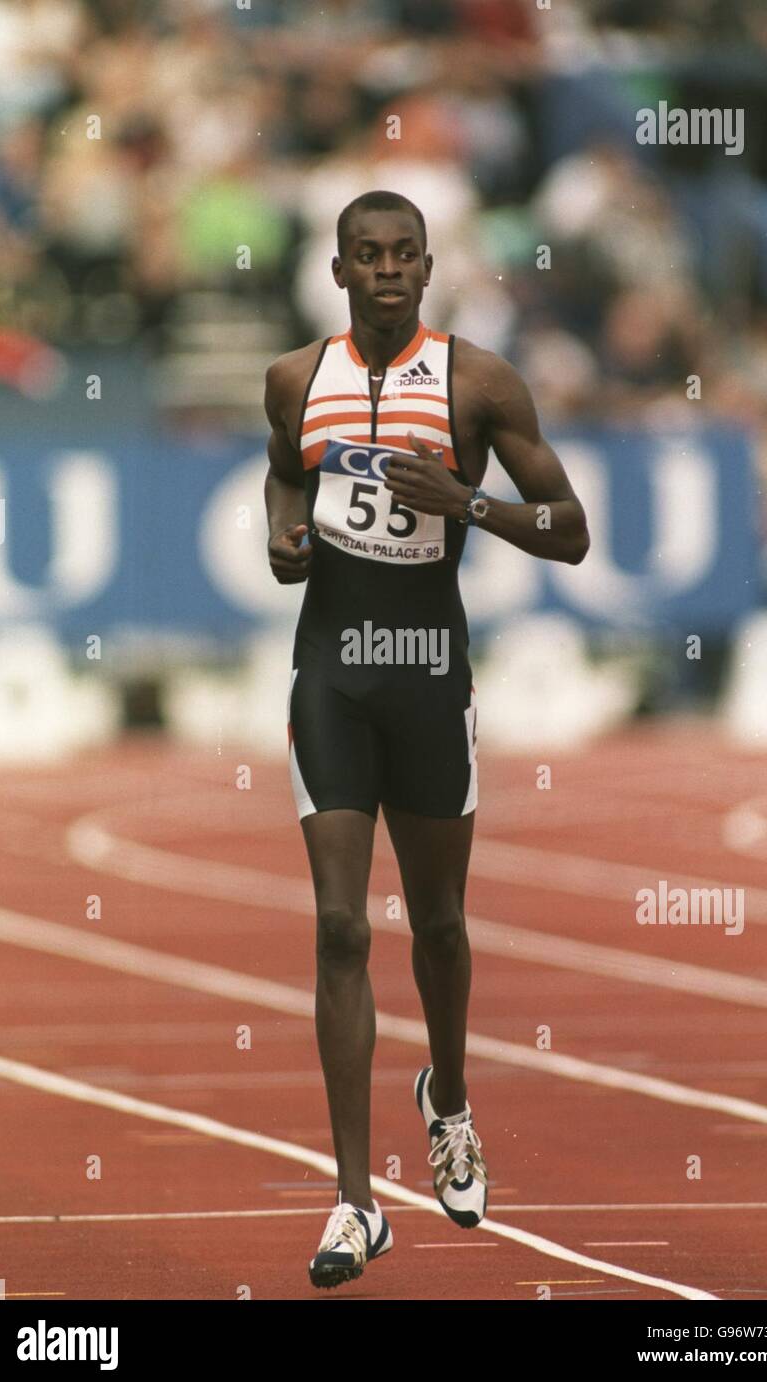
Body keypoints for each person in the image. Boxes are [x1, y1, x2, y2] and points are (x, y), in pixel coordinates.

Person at [264, 189, 589, 1289]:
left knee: (440, 926)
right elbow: (282, 470)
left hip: (430, 679)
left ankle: (446, 1097)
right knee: (342, 928)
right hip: (332, 678)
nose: (389, 271)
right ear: (340, 271)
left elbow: (573, 532)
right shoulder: (293, 380)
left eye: (406, 255)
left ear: (429, 266)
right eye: (369, 256)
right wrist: (282, 533)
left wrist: (470, 504)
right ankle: (355, 1201)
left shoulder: (480, 382)